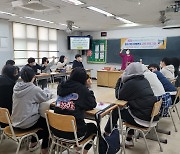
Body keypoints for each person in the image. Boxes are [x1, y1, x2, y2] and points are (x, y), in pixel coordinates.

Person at [105, 62, 159, 147]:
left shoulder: (132, 83)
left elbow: (119, 95)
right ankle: (128, 139)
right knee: (128, 110)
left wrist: (120, 80)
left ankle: (106, 134)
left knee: (116, 110)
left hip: (142, 119)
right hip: (151, 117)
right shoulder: (144, 80)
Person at [54, 67, 97, 154]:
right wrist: (88, 89)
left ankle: (76, 147)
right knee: (94, 127)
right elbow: (92, 104)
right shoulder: (82, 89)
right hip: (73, 134)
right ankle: (82, 151)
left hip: (56, 131)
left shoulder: (61, 85)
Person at [11, 66, 52, 154]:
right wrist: (47, 91)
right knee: (48, 124)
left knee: (40, 121)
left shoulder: (16, 88)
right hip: (26, 123)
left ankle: (33, 142)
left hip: (14, 121)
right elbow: (46, 97)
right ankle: (44, 148)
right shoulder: (34, 89)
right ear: (33, 77)